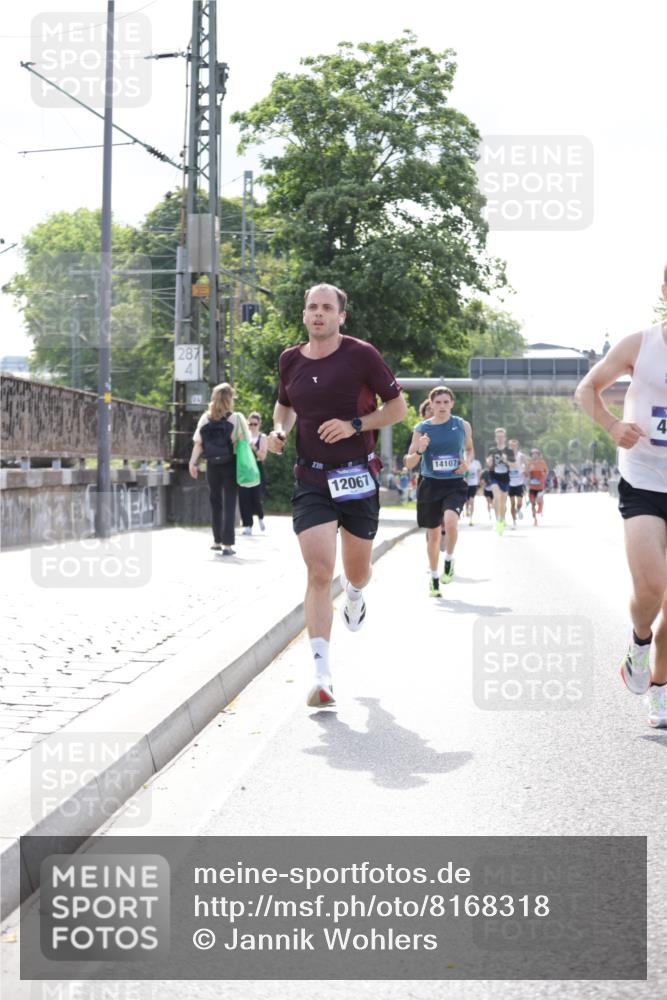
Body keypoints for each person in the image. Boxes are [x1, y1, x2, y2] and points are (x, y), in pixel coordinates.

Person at [266, 282, 406, 708]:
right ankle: (322, 674)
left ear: (341, 316)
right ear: (305, 314)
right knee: (319, 572)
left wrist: (355, 426)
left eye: (327, 308)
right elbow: (284, 405)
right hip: (312, 479)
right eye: (312, 307)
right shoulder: (290, 359)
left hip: (357, 478)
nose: (318, 313)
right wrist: (279, 431)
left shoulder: (361, 354)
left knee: (356, 572)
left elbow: (397, 409)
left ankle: (358, 595)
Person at [575, 264, 667, 728]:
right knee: (652, 587)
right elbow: (586, 389)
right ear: (666, 291)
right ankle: (638, 641)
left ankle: (660, 688)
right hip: (645, 480)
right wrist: (612, 425)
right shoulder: (641, 344)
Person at [404, 386, 473, 596]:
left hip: (454, 483)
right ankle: (434, 577)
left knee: (451, 522)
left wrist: (466, 464)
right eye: (438, 402)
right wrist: (420, 449)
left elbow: (469, 449)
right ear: (431, 404)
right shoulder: (422, 428)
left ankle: (449, 560)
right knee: (433, 536)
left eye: (446, 402)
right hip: (430, 484)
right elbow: (409, 462)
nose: (442, 406)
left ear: (452, 403)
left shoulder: (462, 425)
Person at [189, 382, 250, 557]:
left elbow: (198, 443)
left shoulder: (205, 418)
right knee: (230, 503)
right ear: (230, 398)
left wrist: (192, 463)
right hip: (230, 464)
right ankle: (228, 545)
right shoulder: (236, 418)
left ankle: (216, 541)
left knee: (215, 502)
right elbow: (245, 443)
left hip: (211, 466)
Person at [239, 411, 268, 534]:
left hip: (257, 469)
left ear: (259, 424)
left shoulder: (263, 437)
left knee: (256, 498)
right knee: (244, 498)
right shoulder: (243, 436)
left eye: (254, 424)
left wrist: (253, 447)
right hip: (245, 470)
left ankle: (260, 517)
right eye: (249, 424)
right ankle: (247, 525)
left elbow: (262, 456)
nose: (252, 426)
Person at [486, 427, 517, 535]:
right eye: (498, 437)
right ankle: (498, 522)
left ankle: (502, 519)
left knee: (503, 502)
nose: (499, 439)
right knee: (497, 498)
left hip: (505, 478)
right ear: (495, 438)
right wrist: (489, 462)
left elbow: (514, 465)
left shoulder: (509, 451)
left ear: (505, 438)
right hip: (494, 477)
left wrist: (506, 461)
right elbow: (488, 464)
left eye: (501, 437)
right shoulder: (492, 450)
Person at [526, 447, 549, 526]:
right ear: (531, 455)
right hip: (532, 487)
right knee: (532, 504)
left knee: (539, 499)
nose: (534, 455)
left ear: (538, 455)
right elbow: (526, 473)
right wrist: (528, 474)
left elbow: (546, 471)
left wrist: (543, 474)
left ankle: (540, 506)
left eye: (536, 454)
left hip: (540, 486)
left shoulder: (542, 462)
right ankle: (535, 520)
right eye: (533, 454)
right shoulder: (529, 463)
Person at [508, 438, 527, 528]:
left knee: (519, 503)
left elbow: (527, 465)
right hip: (510, 483)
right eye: (511, 446)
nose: (512, 447)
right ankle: (514, 521)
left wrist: (524, 472)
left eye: (514, 446)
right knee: (512, 503)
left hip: (519, 482)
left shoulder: (521, 456)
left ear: (517, 446)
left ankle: (518, 510)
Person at [464, 456, 482, 525]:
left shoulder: (476, 463)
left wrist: (478, 481)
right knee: (467, 501)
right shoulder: (465, 461)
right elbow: (464, 473)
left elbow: (479, 472)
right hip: (466, 484)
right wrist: (466, 475)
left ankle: (471, 518)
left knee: (472, 501)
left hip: (473, 484)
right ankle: (466, 510)